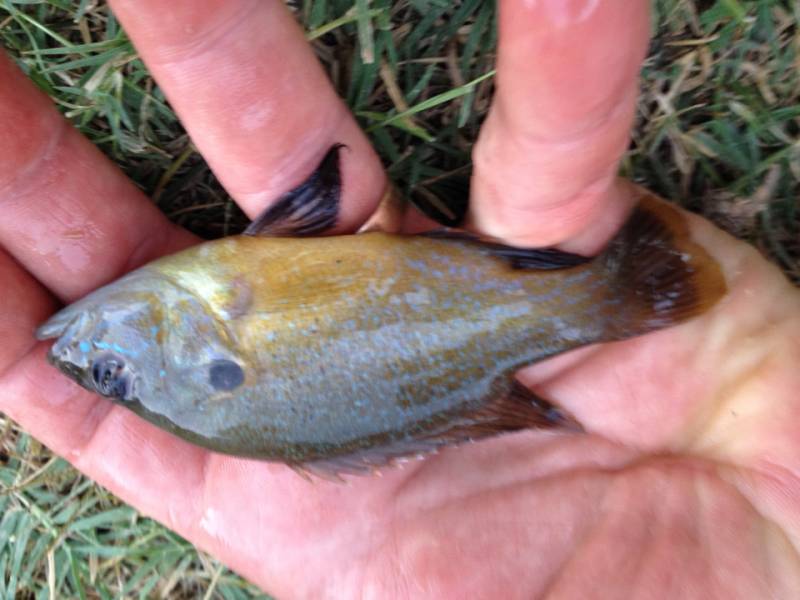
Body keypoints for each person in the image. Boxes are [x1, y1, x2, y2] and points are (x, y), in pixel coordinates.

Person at [1, 0, 798, 597]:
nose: (80, 350)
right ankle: (613, 296)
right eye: (110, 374)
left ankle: (609, 298)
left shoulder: (207, 337)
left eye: (101, 372)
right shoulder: (210, 304)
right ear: (193, 354)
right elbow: (301, 223)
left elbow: (301, 225)